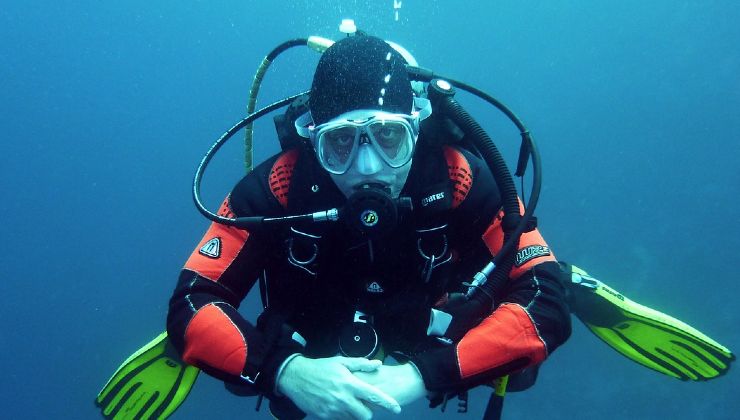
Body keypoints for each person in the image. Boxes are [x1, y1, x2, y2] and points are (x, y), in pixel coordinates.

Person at [166, 34, 572, 419]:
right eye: (340, 142)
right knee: (258, 387)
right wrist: (284, 371)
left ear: (416, 128)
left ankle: (573, 278)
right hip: (315, 331)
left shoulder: (457, 177)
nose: (368, 167)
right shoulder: (280, 187)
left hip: (432, 322)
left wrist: (422, 375)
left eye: (388, 135)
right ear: (313, 140)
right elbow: (190, 300)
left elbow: (547, 299)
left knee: (520, 372)